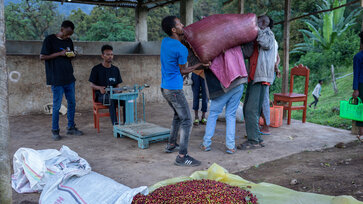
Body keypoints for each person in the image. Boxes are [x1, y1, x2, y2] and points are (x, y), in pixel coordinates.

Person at [160, 15, 206, 167]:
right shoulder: (181, 48)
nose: (183, 25)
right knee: (187, 120)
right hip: (174, 89)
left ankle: (171, 145)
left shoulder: (165, 42)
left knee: (177, 116)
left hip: (164, 87)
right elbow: (183, 71)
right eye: (180, 24)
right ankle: (182, 156)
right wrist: (201, 64)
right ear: (174, 29)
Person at [237, 15, 277, 150]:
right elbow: (247, 53)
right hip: (254, 77)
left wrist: (258, 29)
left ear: (264, 23)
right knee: (249, 107)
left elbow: (266, 44)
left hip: (260, 77)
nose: (253, 24)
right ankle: (258, 139)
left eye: (257, 21)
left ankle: (253, 140)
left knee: (250, 109)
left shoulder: (268, 34)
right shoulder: (258, 37)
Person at [40, 20, 83, 141]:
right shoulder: (50, 40)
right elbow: (42, 57)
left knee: (72, 103)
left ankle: (71, 127)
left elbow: (69, 56)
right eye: (67, 33)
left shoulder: (69, 41)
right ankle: (55, 130)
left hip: (69, 78)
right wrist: (60, 53)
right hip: (56, 79)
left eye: (70, 34)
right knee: (57, 105)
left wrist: (72, 54)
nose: (68, 36)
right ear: (62, 29)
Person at [89, 44, 126, 125]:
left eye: (111, 54)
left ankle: (127, 125)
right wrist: (99, 88)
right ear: (102, 56)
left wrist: (118, 90)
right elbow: (91, 85)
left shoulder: (115, 69)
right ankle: (116, 126)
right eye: (108, 54)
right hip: (101, 96)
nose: (110, 56)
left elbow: (117, 85)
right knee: (111, 100)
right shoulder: (96, 69)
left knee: (126, 101)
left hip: (113, 95)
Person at [260, 17, 281, 135]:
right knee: (263, 98)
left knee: (264, 99)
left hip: (266, 72)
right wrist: (276, 67)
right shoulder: (274, 40)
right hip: (270, 71)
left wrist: (274, 67)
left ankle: (266, 125)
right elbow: (278, 58)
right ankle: (264, 123)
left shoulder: (268, 39)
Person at [352, 31, 363, 142]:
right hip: (361, 85)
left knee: (361, 108)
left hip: (361, 85)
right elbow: (357, 73)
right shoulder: (358, 57)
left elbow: (356, 73)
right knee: (361, 108)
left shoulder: (358, 56)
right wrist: (356, 88)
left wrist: (356, 89)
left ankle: (362, 133)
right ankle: (361, 132)